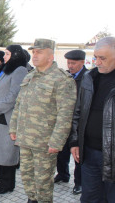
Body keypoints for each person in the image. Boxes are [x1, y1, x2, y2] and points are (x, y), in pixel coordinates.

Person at [9, 38, 77, 203]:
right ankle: (31, 200)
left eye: (39, 52)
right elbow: (19, 104)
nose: (35, 55)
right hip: (25, 139)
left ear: (50, 55)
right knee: (27, 178)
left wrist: (57, 141)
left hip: (45, 143)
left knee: (43, 183)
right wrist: (13, 128)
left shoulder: (61, 80)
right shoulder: (30, 76)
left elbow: (65, 114)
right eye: (33, 52)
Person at [70, 37, 115, 203]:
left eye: (103, 58)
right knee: (89, 198)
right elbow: (78, 112)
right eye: (96, 57)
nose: (97, 62)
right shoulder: (90, 78)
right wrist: (75, 142)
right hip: (89, 153)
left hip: (113, 156)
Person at [0, 45, 28, 194]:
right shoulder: (6, 69)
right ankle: (0, 178)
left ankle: (8, 184)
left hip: (7, 116)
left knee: (7, 151)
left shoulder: (20, 71)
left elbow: (14, 95)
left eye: (7, 54)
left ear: (15, 55)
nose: (4, 56)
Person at [54, 50, 86, 195]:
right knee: (61, 150)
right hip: (63, 120)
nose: (70, 65)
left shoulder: (87, 78)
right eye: (68, 63)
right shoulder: (66, 77)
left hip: (78, 122)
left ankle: (79, 183)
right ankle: (62, 174)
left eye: (73, 63)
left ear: (82, 62)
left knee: (77, 153)